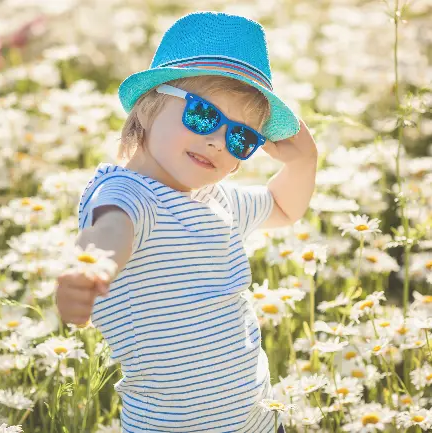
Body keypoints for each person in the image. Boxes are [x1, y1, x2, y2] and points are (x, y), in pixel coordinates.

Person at [56, 11, 318, 433]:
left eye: (240, 138)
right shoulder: (129, 193)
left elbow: (283, 207)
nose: (217, 140)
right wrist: (93, 267)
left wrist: (306, 160)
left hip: (257, 421)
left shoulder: (218, 201)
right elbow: (111, 229)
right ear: (149, 105)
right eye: (202, 115)